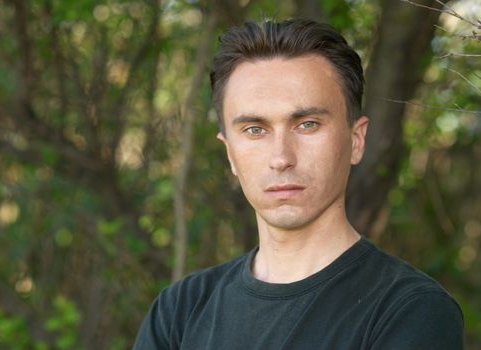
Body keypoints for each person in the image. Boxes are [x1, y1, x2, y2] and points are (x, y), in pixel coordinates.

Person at [133, 18, 463, 349]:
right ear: (230, 153)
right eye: (255, 130)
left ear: (357, 139)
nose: (281, 157)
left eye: (307, 124)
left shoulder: (411, 310)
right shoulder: (179, 310)